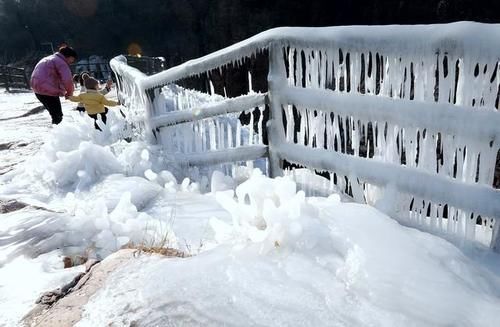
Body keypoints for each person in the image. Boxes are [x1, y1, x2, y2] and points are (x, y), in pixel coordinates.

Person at [30, 46, 77, 124]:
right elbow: (67, 80)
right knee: (57, 116)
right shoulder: (61, 63)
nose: (72, 62)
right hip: (48, 90)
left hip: (36, 89)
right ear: (69, 56)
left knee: (55, 114)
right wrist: (69, 93)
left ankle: (57, 131)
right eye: (72, 59)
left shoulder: (47, 58)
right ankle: (59, 134)